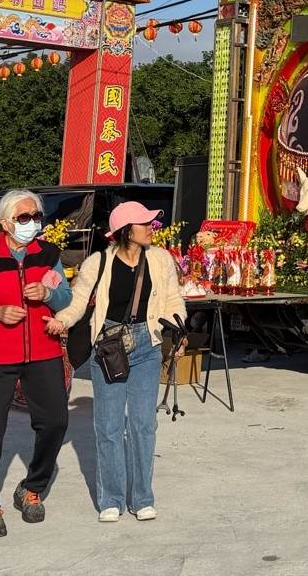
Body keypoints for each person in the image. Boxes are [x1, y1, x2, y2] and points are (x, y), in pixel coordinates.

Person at [49, 200, 186, 523]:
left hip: (147, 344)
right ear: (126, 230)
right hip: (108, 346)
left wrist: (178, 329)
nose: (153, 228)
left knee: (143, 425)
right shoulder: (98, 262)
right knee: (109, 427)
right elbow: (79, 301)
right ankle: (110, 498)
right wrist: (62, 321)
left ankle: (142, 498)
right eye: (145, 223)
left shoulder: (160, 259)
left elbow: (172, 298)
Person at [0, 189, 72, 539]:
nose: (33, 223)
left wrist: (49, 295)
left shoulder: (49, 254)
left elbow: (66, 296)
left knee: (55, 422)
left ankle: (32, 486)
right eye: (24, 218)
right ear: (6, 223)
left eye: (37, 217)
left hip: (44, 352)